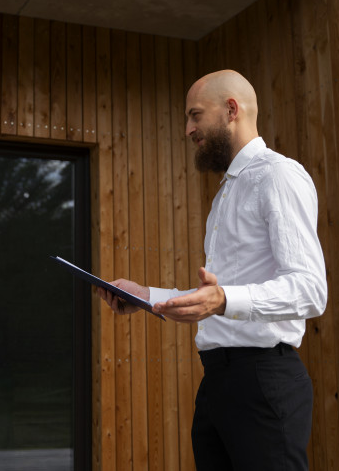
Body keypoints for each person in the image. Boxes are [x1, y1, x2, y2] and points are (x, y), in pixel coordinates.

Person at [97, 69, 327, 470]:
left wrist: (223, 300)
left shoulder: (277, 175)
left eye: (195, 115)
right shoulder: (229, 189)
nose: (188, 129)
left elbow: (310, 290)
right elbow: (214, 300)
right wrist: (145, 295)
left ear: (231, 110)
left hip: (262, 382)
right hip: (219, 384)